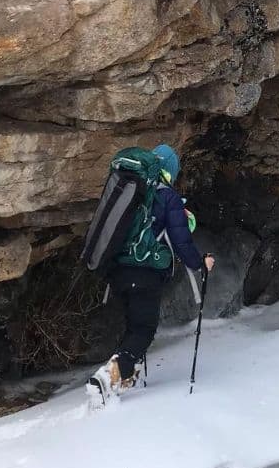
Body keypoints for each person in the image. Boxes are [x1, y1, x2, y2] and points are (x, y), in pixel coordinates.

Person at [90, 144, 215, 395]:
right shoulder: (167, 197)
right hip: (145, 272)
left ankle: (125, 378)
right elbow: (181, 242)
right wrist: (201, 264)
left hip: (118, 273)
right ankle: (109, 376)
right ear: (170, 171)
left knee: (134, 327)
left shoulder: (131, 189)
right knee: (144, 329)